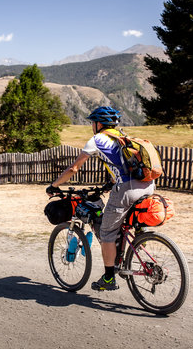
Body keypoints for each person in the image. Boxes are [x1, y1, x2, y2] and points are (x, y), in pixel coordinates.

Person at [46, 106, 155, 291]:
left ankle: (109, 278)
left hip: (127, 190)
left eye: (92, 123)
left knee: (107, 233)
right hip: (148, 186)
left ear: (98, 124)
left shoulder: (97, 139)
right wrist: (110, 184)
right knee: (124, 222)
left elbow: (74, 168)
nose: (91, 126)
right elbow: (122, 166)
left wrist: (54, 185)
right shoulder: (122, 138)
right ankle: (136, 242)